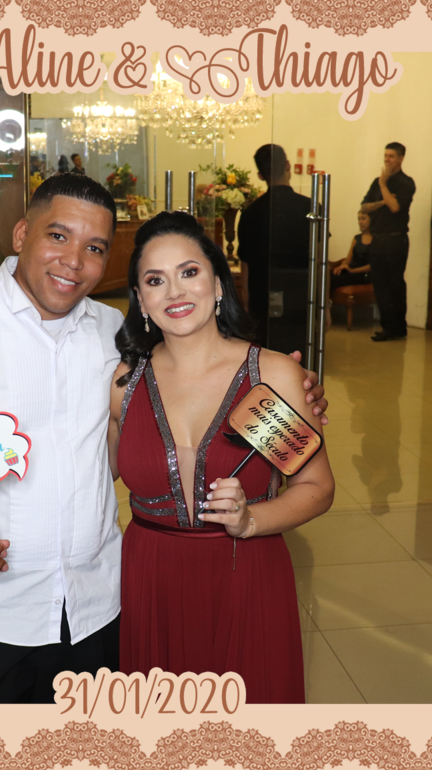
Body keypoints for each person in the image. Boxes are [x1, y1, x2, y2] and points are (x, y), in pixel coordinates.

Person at [0, 174, 330, 704]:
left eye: (95, 248)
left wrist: (295, 390)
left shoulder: (114, 338)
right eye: (58, 236)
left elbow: (300, 468)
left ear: (218, 283)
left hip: (97, 611)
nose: (74, 261)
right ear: (21, 234)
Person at [110, 212, 335, 703]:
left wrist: (252, 519)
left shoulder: (267, 378)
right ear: (141, 300)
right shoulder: (125, 386)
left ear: (217, 284)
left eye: (189, 272)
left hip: (245, 575)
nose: (174, 292)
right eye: (155, 280)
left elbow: (316, 488)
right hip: (152, 581)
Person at [236, 144, 314, 354]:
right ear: (288, 165)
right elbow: (318, 262)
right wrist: (324, 306)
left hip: (262, 298)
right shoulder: (310, 208)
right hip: (301, 296)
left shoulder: (250, 213)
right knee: (300, 356)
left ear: (260, 175)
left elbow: (245, 264)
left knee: (265, 357)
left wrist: (248, 304)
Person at [360, 142, 416, 341]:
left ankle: (398, 327)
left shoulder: (406, 183)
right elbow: (364, 207)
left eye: (391, 156)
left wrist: (384, 186)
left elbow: (395, 207)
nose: (387, 160)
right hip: (377, 239)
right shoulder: (376, 182)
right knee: (380, 284)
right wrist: (383, 200)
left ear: (401, 158)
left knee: (395, 284)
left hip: (395, 240)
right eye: (385, 156)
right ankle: (388, 326)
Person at [330, 210, 374, 289]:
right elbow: (348, 260)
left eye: (363, 219)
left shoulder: (378, 239)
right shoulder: (357, 238)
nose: (360, 222)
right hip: (351, 270)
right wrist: (340, 267)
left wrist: (353, 270)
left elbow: (375, 265)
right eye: (359, 219)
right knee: (324, 277)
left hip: (364, 274)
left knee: (331, 282)